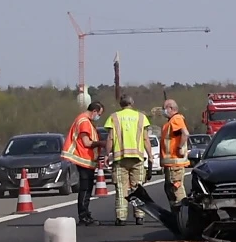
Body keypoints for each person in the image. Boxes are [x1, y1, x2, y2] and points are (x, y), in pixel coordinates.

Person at [104, 94, 153, 226]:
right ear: (132, 103)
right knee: (138, 188)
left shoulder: (114, 117)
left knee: (121, 188)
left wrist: (107, 154)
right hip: (137, 158)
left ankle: (121, 217)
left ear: (121, 104)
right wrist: (150, 155)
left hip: (120, 158)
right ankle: (140, 216)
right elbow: (145, 139)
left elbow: (110, 138)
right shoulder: (141, 117)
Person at [62, 101, 105, 226]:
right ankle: (83, 215)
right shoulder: (84, 121)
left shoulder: (84, 120)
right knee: (85, 188)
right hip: (83, 158)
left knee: (86, 187)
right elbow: (86, 142)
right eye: (99, 114)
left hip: (86, 158)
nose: (98, 117)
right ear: (94, 111)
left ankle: (85, 213)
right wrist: (101, 143)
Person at [161, 99, 191, 213]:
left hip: (175, 162)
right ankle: (176, 212)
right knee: (170, 188)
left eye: (164, 108)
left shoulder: (176, 119)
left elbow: (185, 133)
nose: (163, 110)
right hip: (171, 163)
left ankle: (183, 213)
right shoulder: (170, 122)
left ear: (171, 108)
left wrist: (179, 148)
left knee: (176, 188)